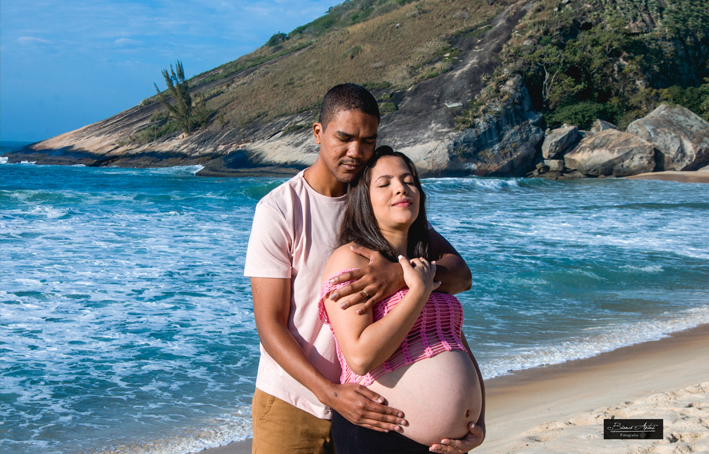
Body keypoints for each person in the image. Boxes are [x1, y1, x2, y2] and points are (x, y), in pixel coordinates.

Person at [244, 83, 482, 454]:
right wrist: (332, 394)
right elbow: (269, 324)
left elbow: (459, 274)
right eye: (344, 138)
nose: (356, 151)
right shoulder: (280, 210)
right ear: (318, 132)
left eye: (367, 140)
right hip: (296, 399)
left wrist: (394, 276)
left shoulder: (380, 199)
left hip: (373, 400)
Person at [318, 146, 485, 453]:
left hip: (446, 445)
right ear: (364, 200)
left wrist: (479, 420)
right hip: (382, 437)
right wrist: (418, 293)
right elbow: (360, 356)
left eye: (409, 181)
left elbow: (455, 341)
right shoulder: (351, 260)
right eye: (385, 183)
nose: (400, 188)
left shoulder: (425, 261)